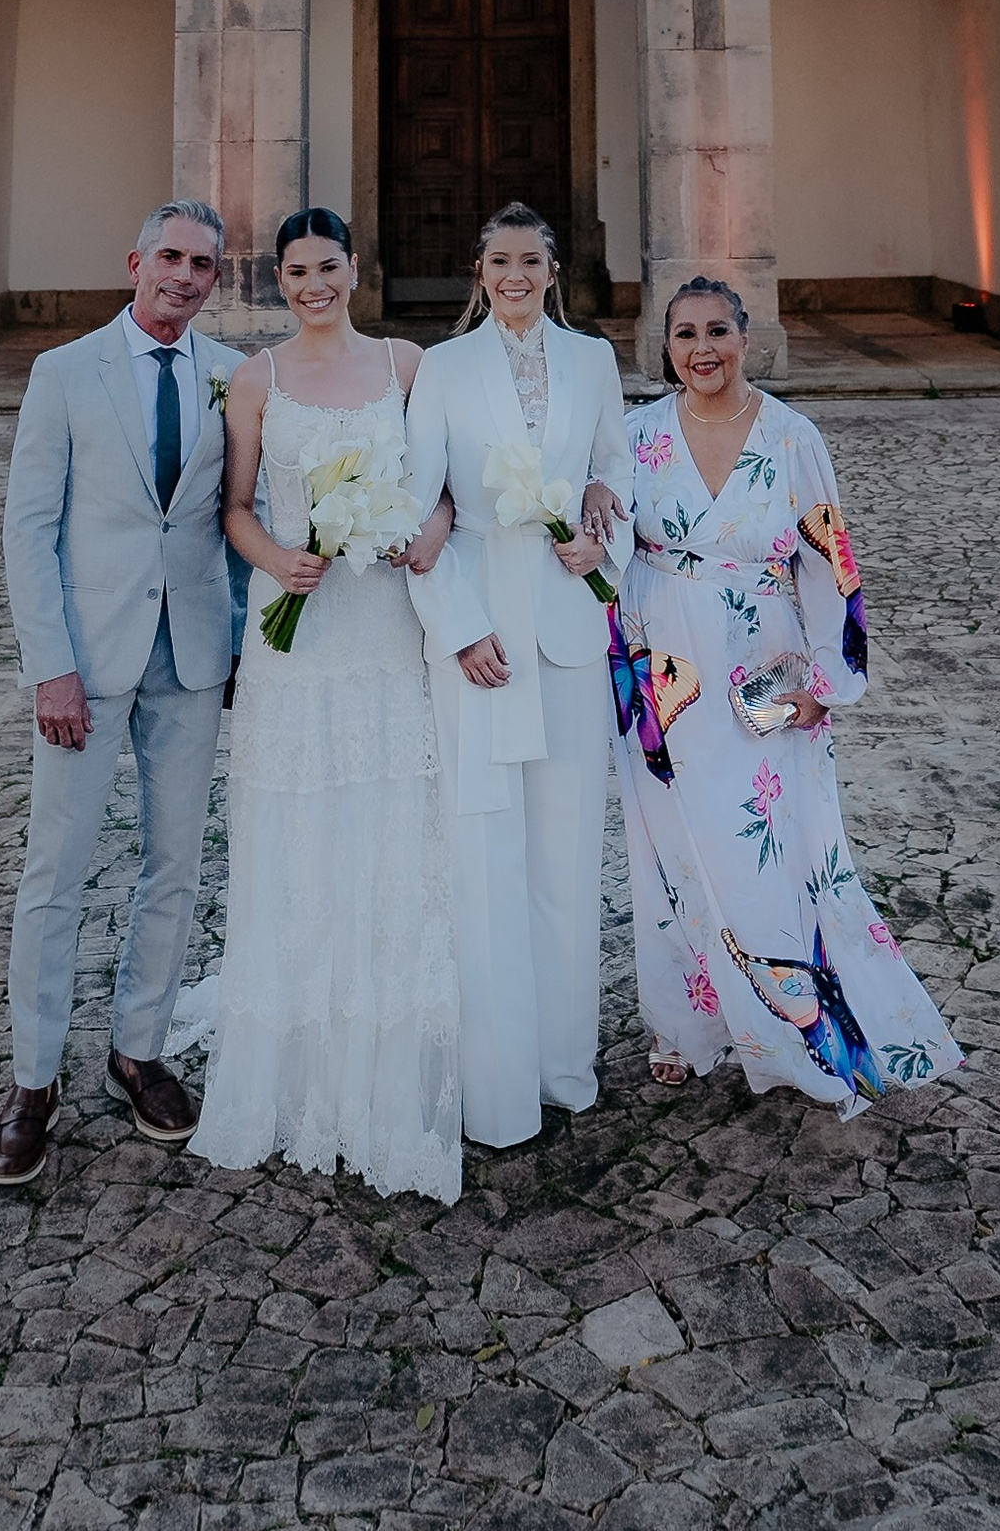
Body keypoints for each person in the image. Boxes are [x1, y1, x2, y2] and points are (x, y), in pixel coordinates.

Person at [613, 272, 961, 1116]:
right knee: (673, 854)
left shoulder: (792, 436)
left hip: (763, 671)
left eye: (718, 332)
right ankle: (685, 1029)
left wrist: (827, 682)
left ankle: (800, 1027)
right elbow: (610, 544)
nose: (703, 350)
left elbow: (830, 560)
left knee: (775, 852)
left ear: (745, 339)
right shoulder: (634, 435)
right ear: (665, 347)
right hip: (664, 678)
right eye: (686, 334)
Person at [187, 206, 466, 1200]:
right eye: (296, 271)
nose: (313, 285)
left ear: (355, 268)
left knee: (394, 822)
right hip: (295, 627)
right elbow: (233, 507)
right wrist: (278, 559)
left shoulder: (406, 367)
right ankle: (298, 1049)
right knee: (295, 829)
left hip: (386, 621)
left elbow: (444, 485)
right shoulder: (254, 379)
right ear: (279, 280)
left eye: (328, 267)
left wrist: (425, 535)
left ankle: (391, 1045)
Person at [0, 201, 245, 1189]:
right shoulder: (63, 374)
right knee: (55, 875)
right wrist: (49, 663)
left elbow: (237, 518)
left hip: (191, 662)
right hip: (84, 670)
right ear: (135, 260)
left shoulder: (231, 377)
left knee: (174, 866)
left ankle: (139, 1052)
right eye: (170, 257)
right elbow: (28, 526)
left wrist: (240, 646)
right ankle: (32, 1081)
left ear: (216, 279)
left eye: (203, 265)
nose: (183, 276)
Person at [403, 203, 632, 1146]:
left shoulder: (593, 361)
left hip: (571, 634)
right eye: (499, 260)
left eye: (530, 260)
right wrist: (459, 629)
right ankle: (494, 1086)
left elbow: (619, 465)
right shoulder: (444, 370)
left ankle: (562, 1066)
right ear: (478, 269)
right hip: (482, 642)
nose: (515, 275)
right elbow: (419, 510)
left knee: (568, 859)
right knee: (487, 857)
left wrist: (599, 521)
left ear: (553, 269)